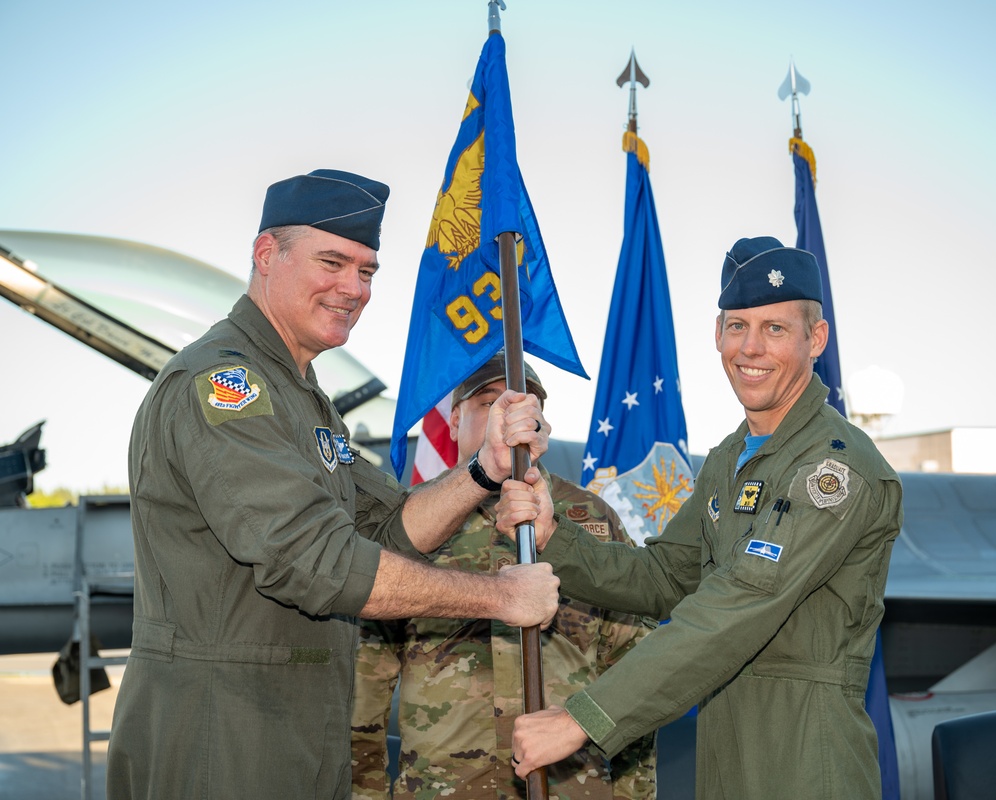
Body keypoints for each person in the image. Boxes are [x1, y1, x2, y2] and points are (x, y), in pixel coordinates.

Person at [105, 169, 560, 800]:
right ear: (268, 255)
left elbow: (389, 530)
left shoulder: (299, 396)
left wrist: (483, 470)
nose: (354, 289)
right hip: (221, 740)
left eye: (367, 271)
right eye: (333, 262)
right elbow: (317, 562)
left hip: (294, 733)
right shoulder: (225, 387)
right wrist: (500, 599)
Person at [499, 236, 903, 799]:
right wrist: (555, 537)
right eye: (737, 326)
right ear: (717, 335)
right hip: (724, 754)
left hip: (807, 761)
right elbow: (667, 577)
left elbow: (740, 603)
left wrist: (582, 718)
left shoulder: (834, 467)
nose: (751, 348)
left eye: (776, 329)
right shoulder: (729, 459)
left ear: (816, 338)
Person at [350, 353, 658, 800]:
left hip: (570, 786)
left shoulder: (589, 519)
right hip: (444, 787)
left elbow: (634, 668)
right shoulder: (413, 523)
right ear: (454, 421)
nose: (508, 418)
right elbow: (367, 678)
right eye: (488, 404)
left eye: (523, 406)